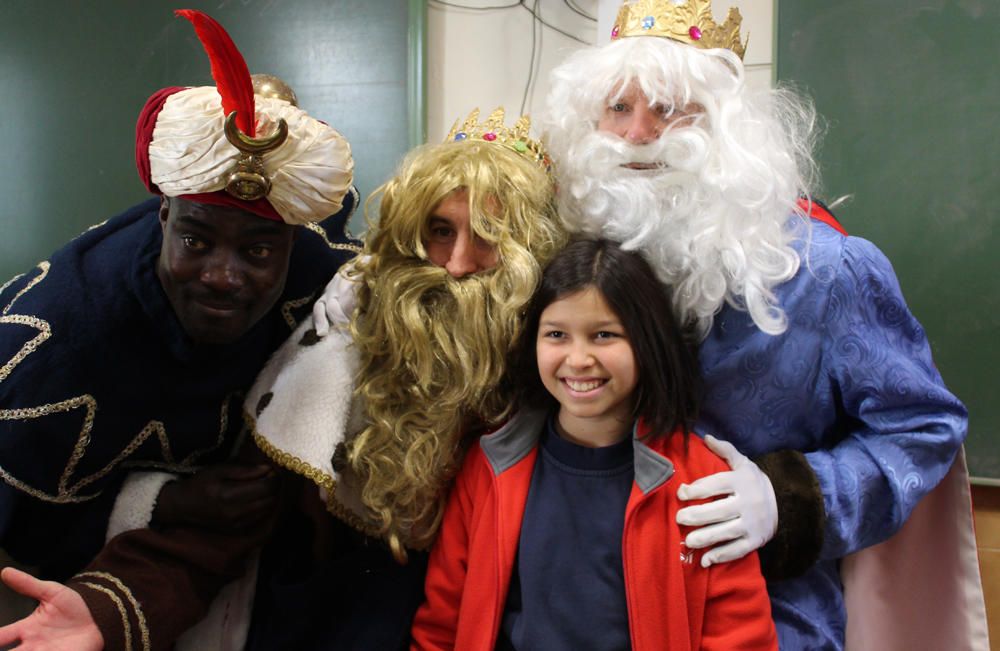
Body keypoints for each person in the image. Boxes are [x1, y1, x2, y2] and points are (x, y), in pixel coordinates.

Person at [0, 107, 567, 650]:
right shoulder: (349, 343)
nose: (458, 263)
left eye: (489, 234)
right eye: (440, 231)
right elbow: (227, 523)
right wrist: (106, 610)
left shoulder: (564, 370)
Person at [541, 0, 984, 649]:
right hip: (592, 612)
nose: (637, 134)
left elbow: (922, 427)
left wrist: (792, 500)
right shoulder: (570, 261)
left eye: (667, 107)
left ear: (727, 125)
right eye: (617, 108)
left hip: (770, 620)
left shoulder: (829, 272)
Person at [0, 9, 358, 650]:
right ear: (163, 216)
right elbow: (22, 531)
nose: (224, 277)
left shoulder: (317, 272)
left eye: (257, 251)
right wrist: (162, 501)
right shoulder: (57, 344)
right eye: (196, 239)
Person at [411, 238, 777, 651]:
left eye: (604, 335)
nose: (578, 358)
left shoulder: (702, 482)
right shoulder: (489, 465)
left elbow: (743, 639)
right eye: (556, 335)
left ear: (646, 342)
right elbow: (442, 624)